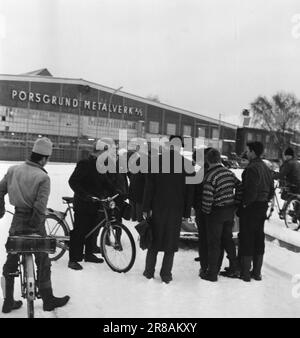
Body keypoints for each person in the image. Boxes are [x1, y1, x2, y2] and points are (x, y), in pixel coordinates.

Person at [0, 137, 70, 313]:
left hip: (17, 220)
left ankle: (8, 301)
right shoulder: (42, 177)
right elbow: (40, 207)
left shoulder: (13, 170)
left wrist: (0, 210)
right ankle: (48, 299)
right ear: (44, 158)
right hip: (35, 223)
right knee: (43, 260)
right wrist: (34, 226)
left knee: (12, 259)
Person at [142, 136, 193, 284]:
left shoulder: (155, 161)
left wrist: (146, 208)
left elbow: (149, 188)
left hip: (157, 208)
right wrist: (186, 212)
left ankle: (149, 272)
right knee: (171, 242)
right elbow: (190, 191)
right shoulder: (187, 165)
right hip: (176, 209)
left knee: (154, 239)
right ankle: (166, 274)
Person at [68, 139, 118, 270]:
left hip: (96, 203)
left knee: (93, 229)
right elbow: (73, 181)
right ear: (100, 151)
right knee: (80, 231)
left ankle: (89, 254)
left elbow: (105, 181)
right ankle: (73, 259)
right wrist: (85, 196)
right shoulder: (84, 164)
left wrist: (117, 191)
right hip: (83, 203)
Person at [200, 148, 241, 282]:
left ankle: (212, 273)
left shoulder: (210, 176)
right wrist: (236, 202)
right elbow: (240, 186)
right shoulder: (228, 173)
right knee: (228, 240)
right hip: (229, 212)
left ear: (208, 160)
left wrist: (206, 212)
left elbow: (207, 198)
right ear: (219, 159)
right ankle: (234, 267)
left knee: (214, 243)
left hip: (215, 213)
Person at [238, 141, 274, 282]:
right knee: (259, 238)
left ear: (253, 152)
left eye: (248, 150)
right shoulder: (266, 167)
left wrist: (245, 205)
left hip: (251, 207)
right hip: (262, 206)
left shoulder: (252, 168)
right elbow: (271, 189)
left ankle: (245, 273)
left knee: (247, 238)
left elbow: (251, 191)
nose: (246, 153)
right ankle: (257, 272)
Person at [192, 147, 212, 271]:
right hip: (206, 206)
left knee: (204, 235)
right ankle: (204, 257)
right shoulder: (205, 169)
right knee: (205, 235)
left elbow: (197, 190)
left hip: (202, 207)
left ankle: (205, 262)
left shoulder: (203, 171)